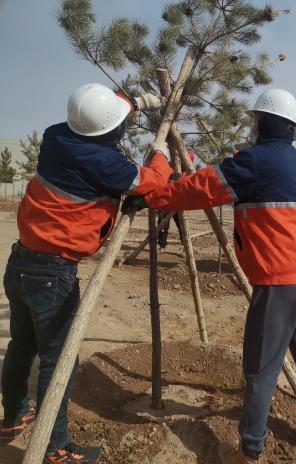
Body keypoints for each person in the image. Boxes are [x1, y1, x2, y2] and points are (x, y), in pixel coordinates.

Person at [132, 89, 296, 464]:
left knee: (261, 369)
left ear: (267, 123)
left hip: (277, 281)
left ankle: (249, 450)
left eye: (255, 120)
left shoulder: (255, 161)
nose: (252, 126)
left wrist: (154, 196)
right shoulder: (294, 160)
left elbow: (202, 189)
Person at [0, 83, 173, 464]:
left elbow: (99, 116)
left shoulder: (56, 135)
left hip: (20, 262)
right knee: (58, 360)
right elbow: (151, 182)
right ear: (108, 131)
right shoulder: (106, 164)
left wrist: (137, 102)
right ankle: (55, 446)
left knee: (22, 346)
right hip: (53, 273)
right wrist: (161, 154)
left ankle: (12, 417)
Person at [157, 149, 204, 248]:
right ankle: (161, 245)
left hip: (179, 202)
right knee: (163, 224)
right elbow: (162, 181)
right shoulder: (169, 167)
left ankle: (186, 246)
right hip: (166, 200)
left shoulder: (188, 172)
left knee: (182, 225)